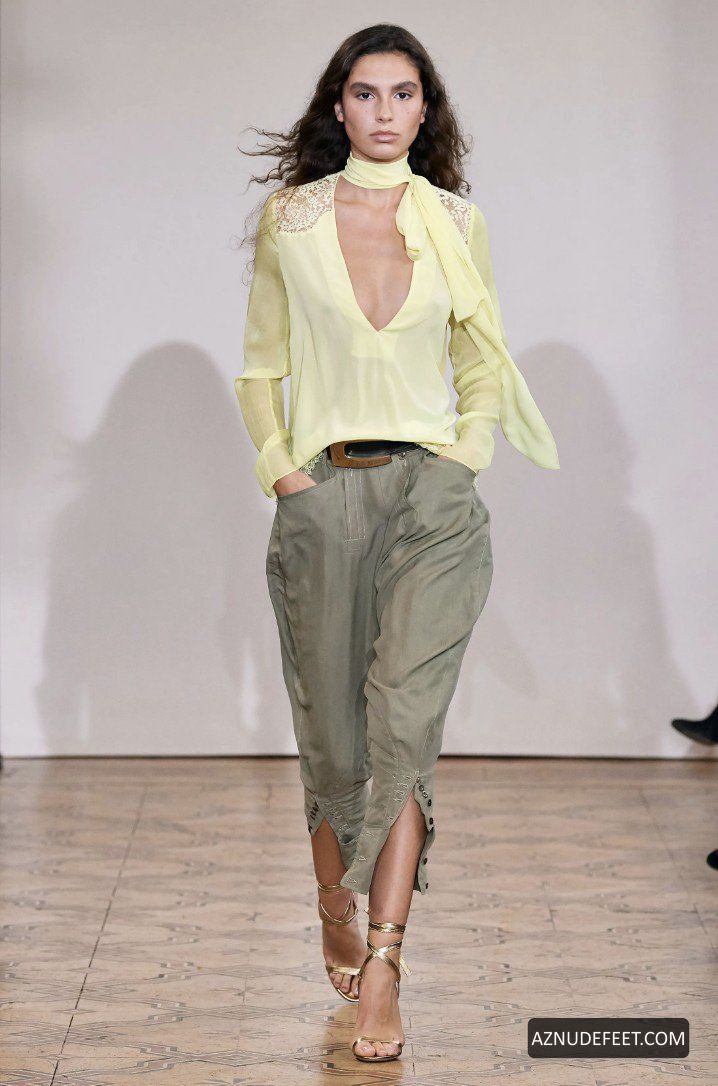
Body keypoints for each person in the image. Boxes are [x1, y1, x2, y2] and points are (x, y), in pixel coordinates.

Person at [234, 24, 559, 1063]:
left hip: (432, 500)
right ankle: (333, 896)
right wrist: (283, 473)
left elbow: (480, 358)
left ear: (427, 109)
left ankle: (384, 965)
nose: (384, 111)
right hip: (323, 494)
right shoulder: (292, 218)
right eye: (366, 93)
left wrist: (464, 458)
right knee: (332, 740)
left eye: (403, 93)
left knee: (401, 735)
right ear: (340, 106)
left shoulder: (457, 222)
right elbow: (260, 365)